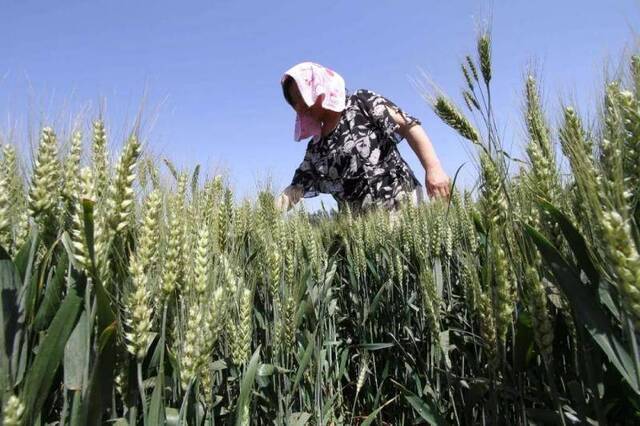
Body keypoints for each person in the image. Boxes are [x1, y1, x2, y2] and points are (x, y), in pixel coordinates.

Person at [276, 62, 450, 213]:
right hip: (365, 236)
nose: (300, 106)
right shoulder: (316, 148)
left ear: (318, 86)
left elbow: (408, 126)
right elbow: (296, 189)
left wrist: (433, 168)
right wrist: (263, 217)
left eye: (302, 95)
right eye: (295, 102)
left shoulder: (361, 103)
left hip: (405, 208)